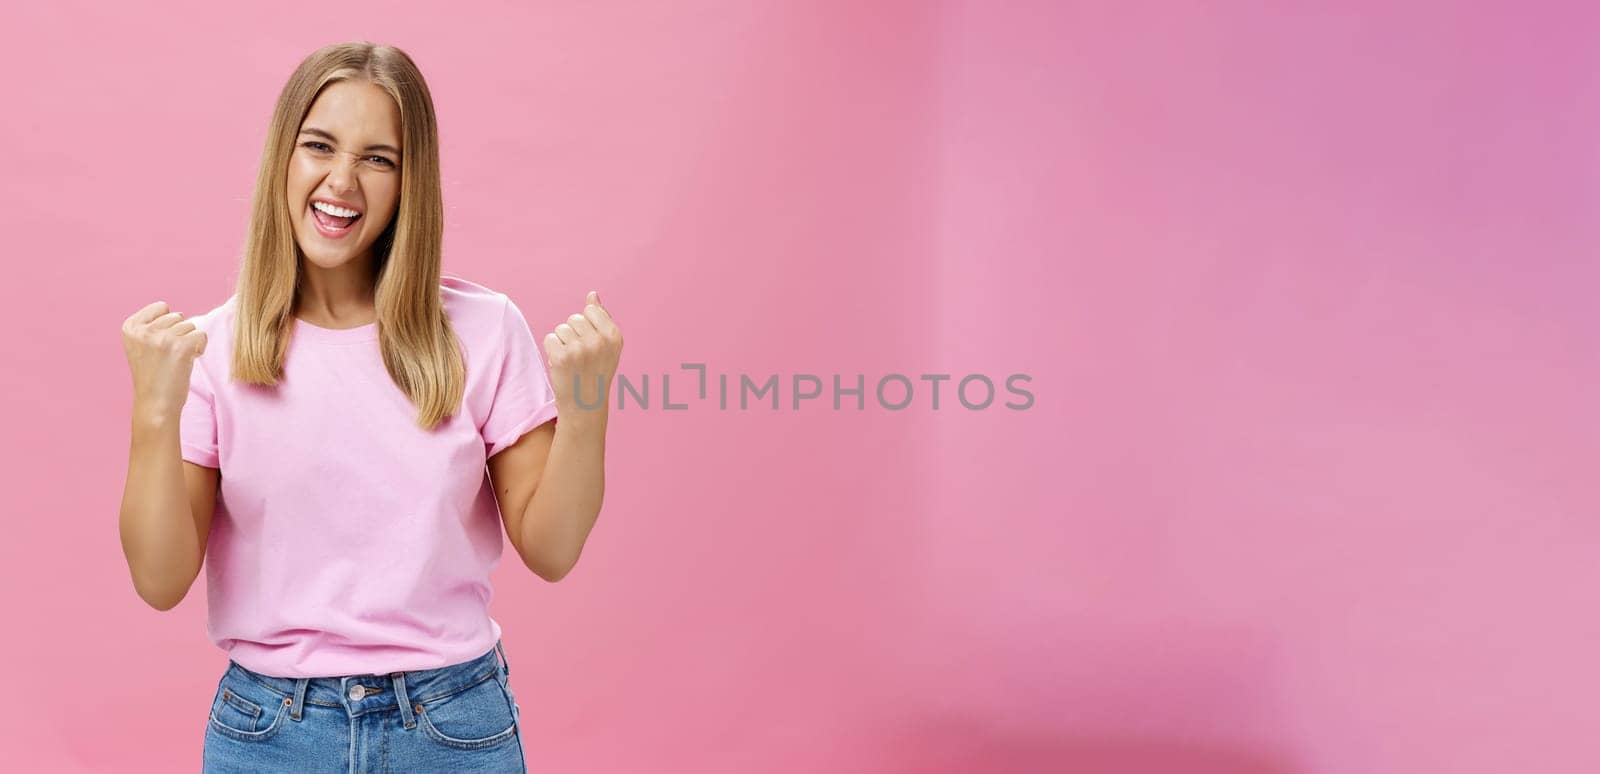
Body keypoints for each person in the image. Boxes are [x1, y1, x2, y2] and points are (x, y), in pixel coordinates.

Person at [117, 40, 623, 772]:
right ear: (283, 158)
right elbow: (160, 581)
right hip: (270, 732)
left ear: (408, 182)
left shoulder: (483, 333)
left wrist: (587, 407)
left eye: (378, 159)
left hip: (453, 726)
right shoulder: (206, 352)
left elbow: (552, 548)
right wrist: (153, 417)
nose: (342, 181)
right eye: (319, 146)